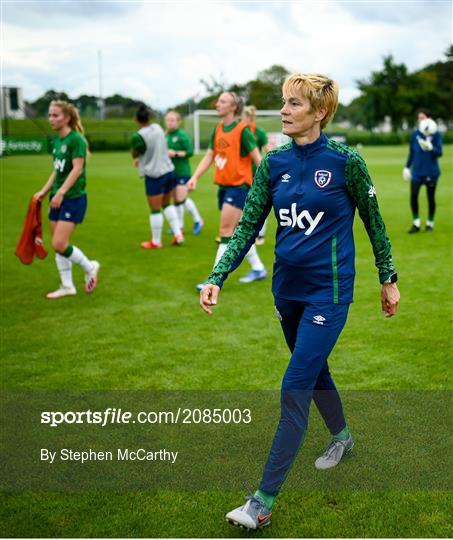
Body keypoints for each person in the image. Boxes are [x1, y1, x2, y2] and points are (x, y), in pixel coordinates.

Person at [199, 73, 400, 530]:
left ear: (319, 112)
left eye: (294, 104)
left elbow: (375, 223)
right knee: (315, 369)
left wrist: (387, 279)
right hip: (285, 290)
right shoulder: (273, 163)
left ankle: (261, 501)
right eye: (284, 102)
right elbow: (247, 226)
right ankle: (343, 437)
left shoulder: (346, 162)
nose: (284, 111)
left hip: (329, 291)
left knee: (295, 386)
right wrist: (217, 276)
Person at [187, 92, 267, 289]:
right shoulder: (218, 128)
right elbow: (208, 157)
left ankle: (214, 279)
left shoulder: (242, 130)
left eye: (222, 101)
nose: (217, 104)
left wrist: (268, 185)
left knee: (225, 232)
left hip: (239, 188)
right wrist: (195, 177)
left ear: (233, 107)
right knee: (239, 234)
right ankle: (258, 268)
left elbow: (258, 159)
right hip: (224, 187)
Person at [34, 101, 100, 299]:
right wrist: (45, 191)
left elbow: (77, 169)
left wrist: (61, 192)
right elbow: (58, 170)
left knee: (59, 244)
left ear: (67, 118)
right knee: (59, 244)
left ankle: (90, 267)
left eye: (55, 115)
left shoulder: (76, 140)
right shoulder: (57, 142)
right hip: (57, 197)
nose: (51, 119)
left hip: (73, 198)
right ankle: (67, 286)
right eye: (50, 115)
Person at [131, 105, 183, 248]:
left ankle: (156, 241)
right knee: (166, 204)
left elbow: (136, 152)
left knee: (155, 209)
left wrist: (136, 157)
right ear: (149, 118)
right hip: (169, 170)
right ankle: (178, 234)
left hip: (155, 174)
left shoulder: (138, 136)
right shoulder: (158, 128)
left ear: (136, 119)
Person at [403, 108, 443, 233]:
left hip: (431, 172)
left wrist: (431, 147)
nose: (420, 120)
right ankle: (416, 223)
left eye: (422, 117)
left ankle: (430, 224)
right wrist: (406, 167)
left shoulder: (436, 134)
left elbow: (439, 153)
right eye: (419, 118)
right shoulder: (415, 134)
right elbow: (412, 152)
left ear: (429, 119)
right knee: (413, 196)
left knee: (430, 198)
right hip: (417, 172)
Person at [165, 110, 203, 235]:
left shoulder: (182, 135)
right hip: (170, 172)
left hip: (182, 171)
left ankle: (190, 223)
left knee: (180, 198)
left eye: (172, 120)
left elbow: (190, 151)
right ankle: (185, 224)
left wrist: (175, 153)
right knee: (177, 199)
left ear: (178, 121)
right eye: (168, 120)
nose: (170, 123)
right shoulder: (166, 136)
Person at [243, 105, 271, 245]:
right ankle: (243, 232)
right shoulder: (239, 131)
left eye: (250, 116)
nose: (248, 118)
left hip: (256, 174)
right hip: (241, 174)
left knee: (259, 204)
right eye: (246, 115)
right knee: (243, 204)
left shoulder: (259, 132)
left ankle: (260, 234)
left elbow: (267, 149)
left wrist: (270, 163)